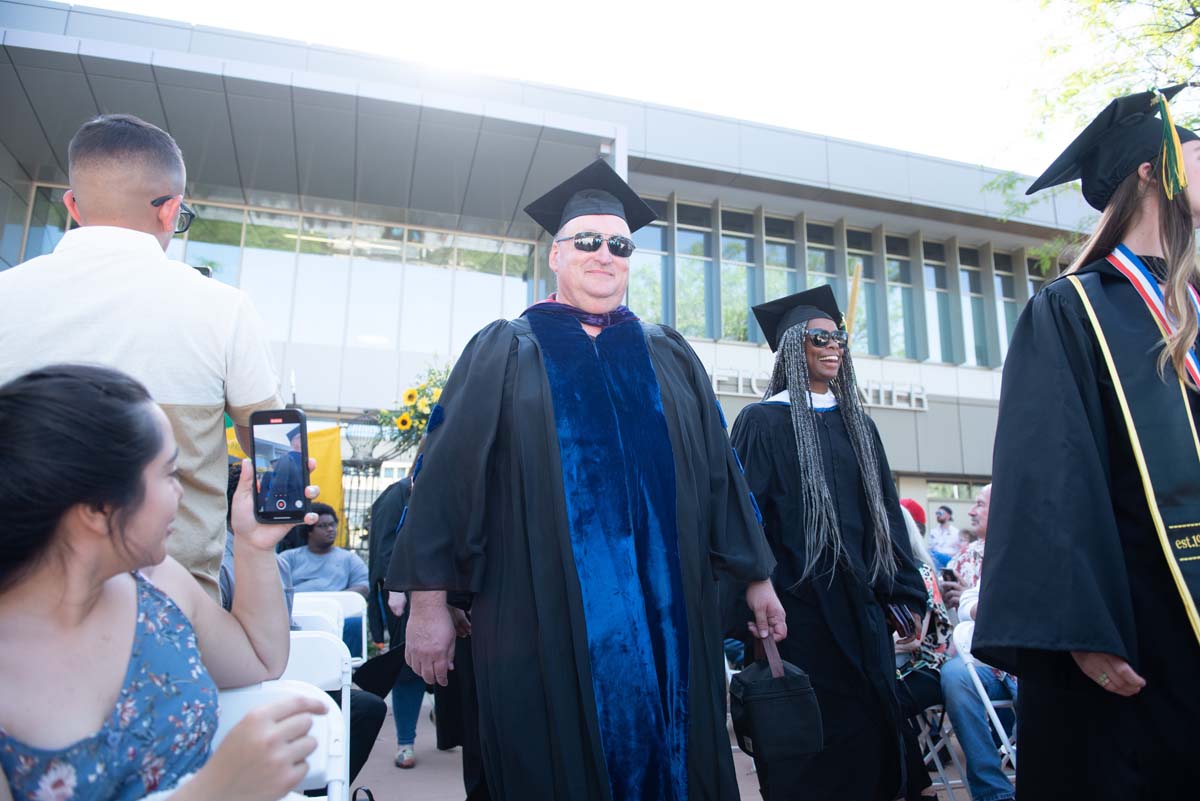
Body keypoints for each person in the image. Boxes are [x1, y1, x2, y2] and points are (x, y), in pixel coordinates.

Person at [386, 158, 784, 801]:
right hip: (540, 620)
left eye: (619, 246)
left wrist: (757, 578)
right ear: (555, 255)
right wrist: (429, 604)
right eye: (588, 241)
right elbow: (444, 480)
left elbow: (721, 473)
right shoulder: (506, 347)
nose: (605, 255)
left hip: (668, 621)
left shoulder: (667, 352)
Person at [974, 84, 1200, 799]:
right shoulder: (1075, 309)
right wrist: (1082, 627)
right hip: (1143, 629)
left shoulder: (1194, 307)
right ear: (1154, 171)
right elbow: (1048, 477)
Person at [0, 364, 323, 801]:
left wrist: (253, 545)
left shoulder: (157, 585)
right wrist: (214, 791)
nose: (181, 493)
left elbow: (260, 659)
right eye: (170, 474)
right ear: (98, 506)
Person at [0, 114, 281, 600]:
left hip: (17, 597)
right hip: (176, 605)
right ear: (170, 210)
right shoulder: (222, 308)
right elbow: (272, 446)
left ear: (72, 205)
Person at [730, 285, 927, 801]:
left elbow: (887, 517)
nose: (834, 345)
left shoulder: (858, 425)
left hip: (863, 615)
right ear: (792, 348)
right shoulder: (762, 422)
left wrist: (906, 596)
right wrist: (752, 597)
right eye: (819, 337)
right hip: (799, 616)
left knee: (873, 741)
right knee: (815, 753)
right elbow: (742, 520)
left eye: (838, 336)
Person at [220, 467, 385, 787]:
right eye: (269, 497)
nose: (279, 503)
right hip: (250, 687)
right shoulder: (221, 561)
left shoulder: (277, 560)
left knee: (362, 699)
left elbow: (289, 628)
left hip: (280, 672)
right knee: (363, 708)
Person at [938, 485, 1015, 801]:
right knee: (955, 675)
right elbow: (968, 603)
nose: (971, 511)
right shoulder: (967, 557)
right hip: (984, 663)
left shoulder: (1022, 545)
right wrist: (965, 607)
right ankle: (993, 792)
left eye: (980, 504)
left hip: (1029, 663)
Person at [365, 474, 427, 771]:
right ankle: (405, 741)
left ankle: (448, 723)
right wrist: (396, 587)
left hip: (450, 589)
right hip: (405, 594)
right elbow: (386, 547)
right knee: (409, 666)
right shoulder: (397, 493)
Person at [894, 505, 951, 801]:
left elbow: (913, 639)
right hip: (897, 669)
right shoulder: (884, 571)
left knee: (885, 702)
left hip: (928, 670)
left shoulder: (921, 571)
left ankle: (921, 791)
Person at [278, 503, 369, 597]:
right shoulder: (288, 558)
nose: (330, 529)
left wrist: (336, 599)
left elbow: (363, 586)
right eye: (323, 526)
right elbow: (276, 587)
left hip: (336, 605)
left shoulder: (349, 558)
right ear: (309, 531)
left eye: (332, 524)